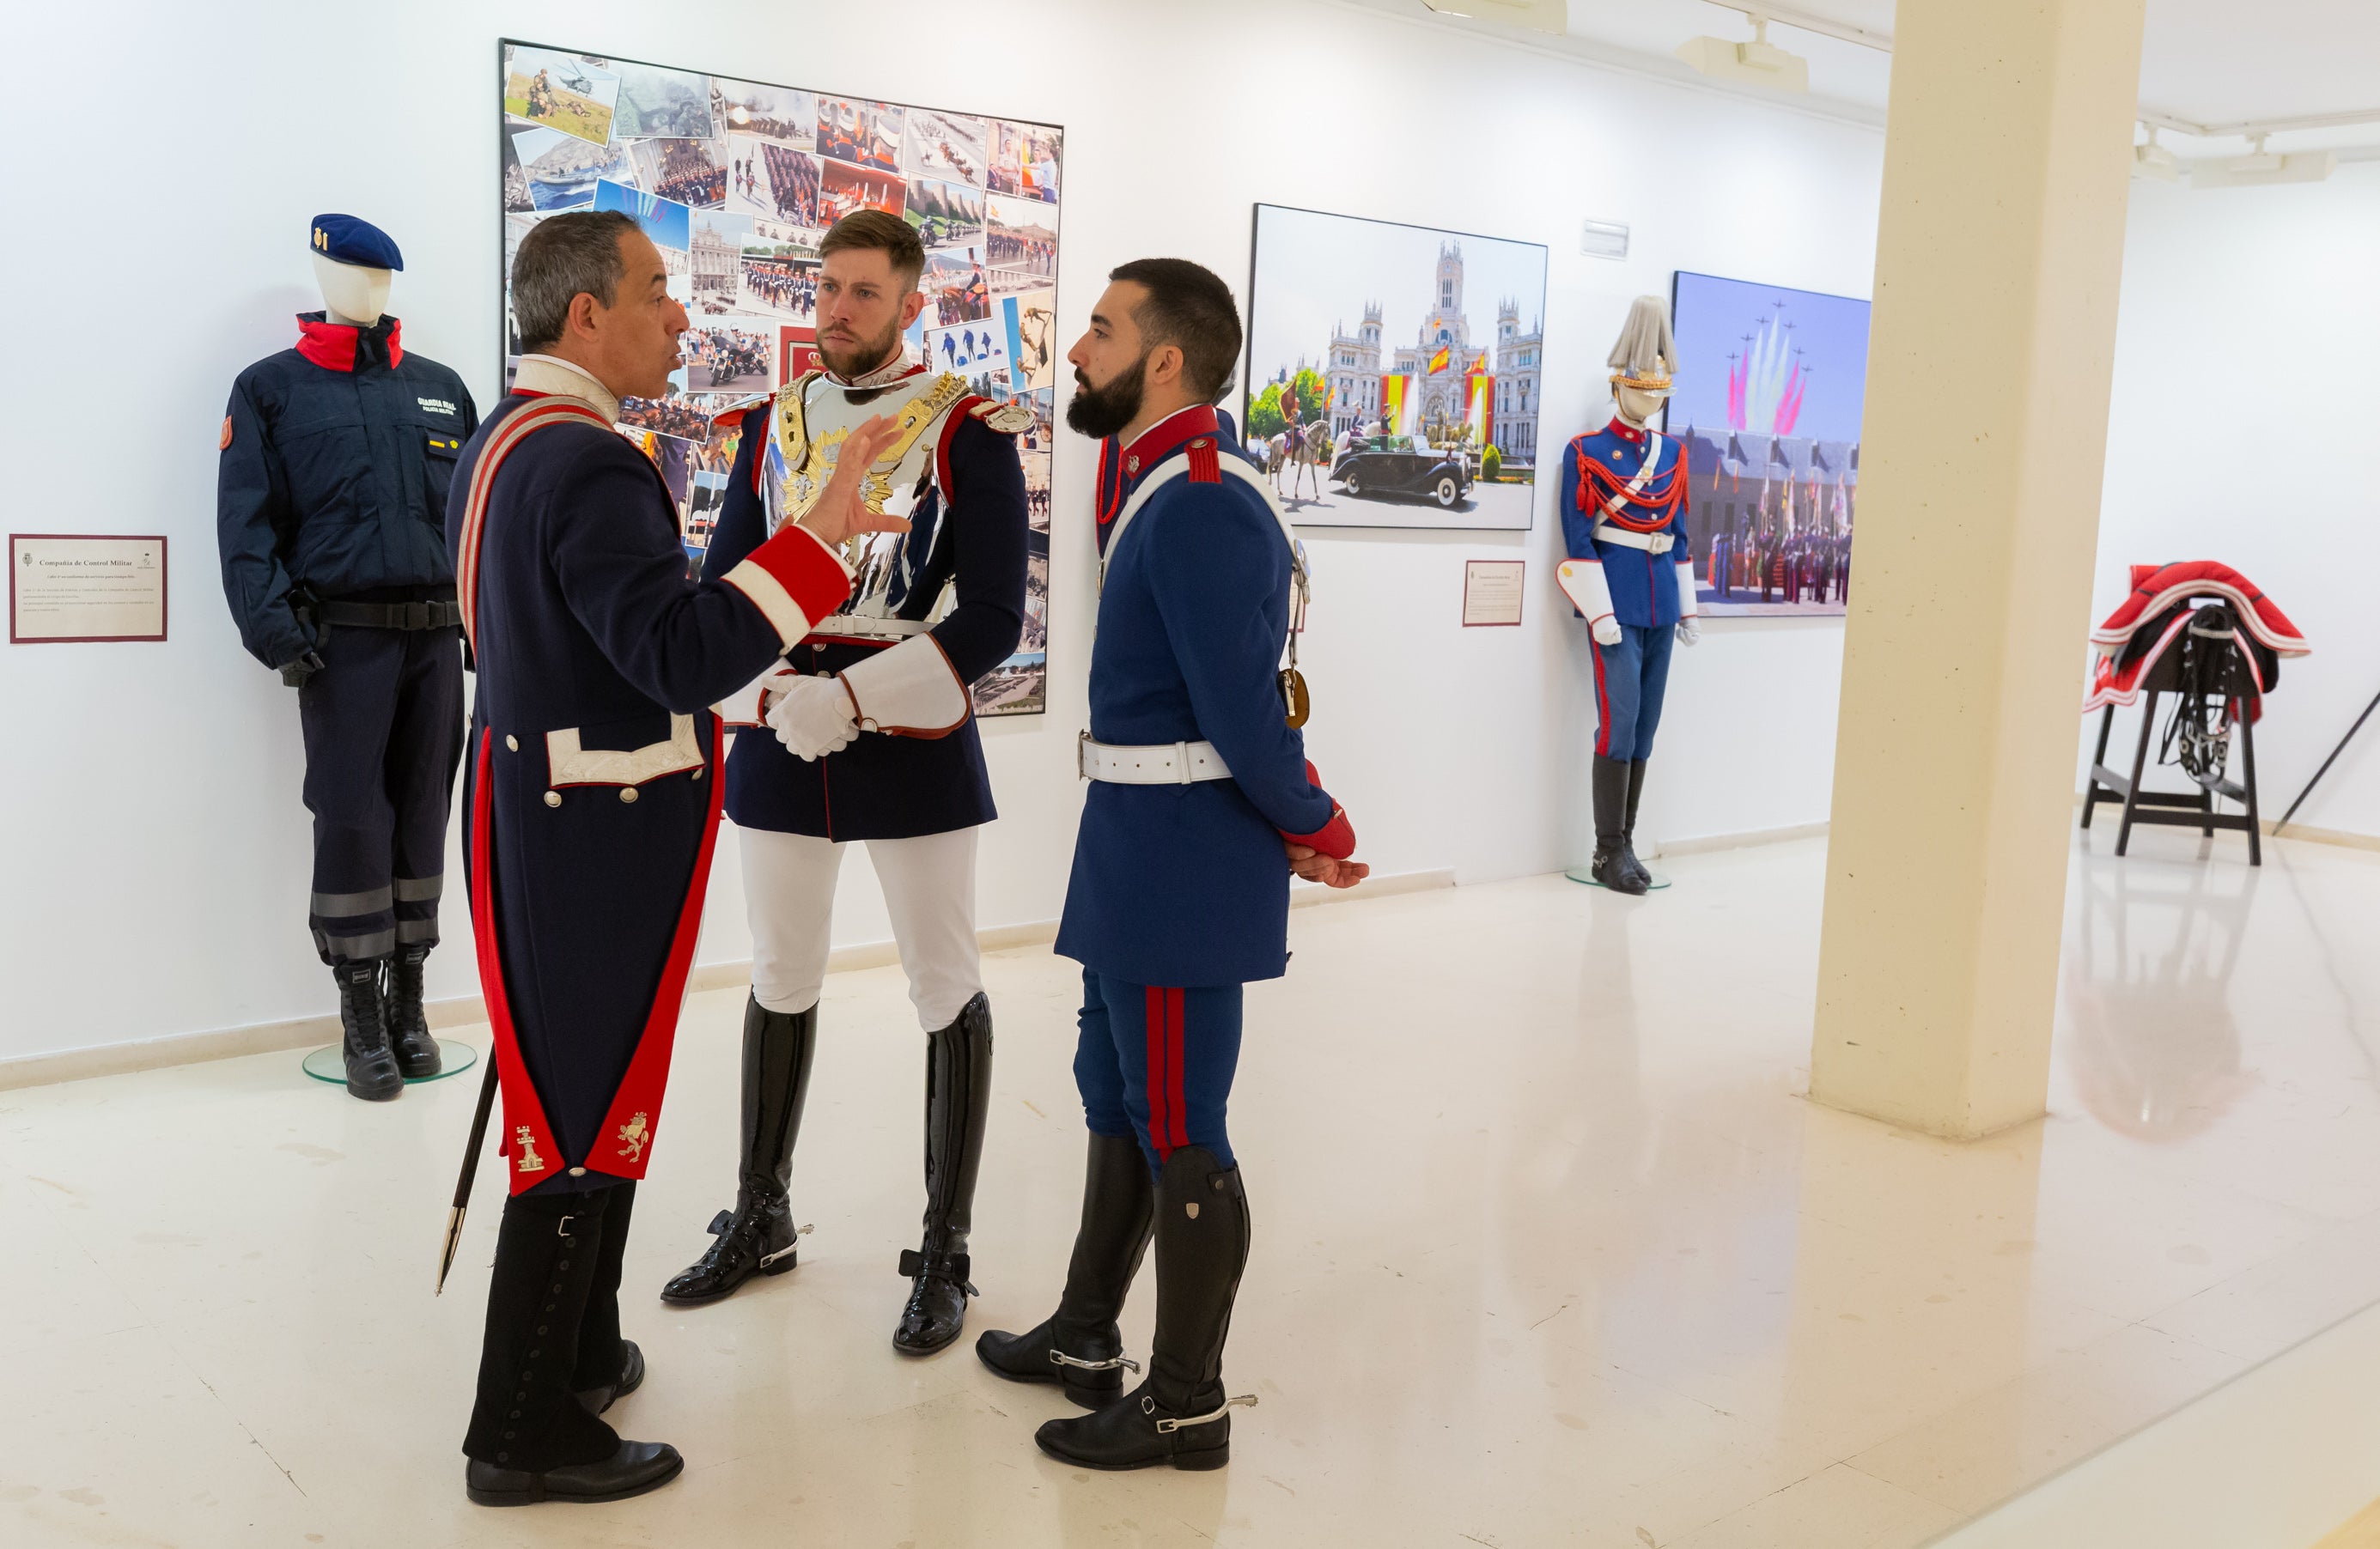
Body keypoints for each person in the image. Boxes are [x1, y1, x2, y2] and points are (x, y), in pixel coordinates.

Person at [443, 208, 903, 1507]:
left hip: (547, 810)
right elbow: (681, 657)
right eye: (656, 291)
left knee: (588, 1092)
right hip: (590, 829)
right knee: (578, 1118)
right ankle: (521, 1430)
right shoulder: (587, 463)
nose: (679, 316)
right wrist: (814, 536)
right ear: (585, 312)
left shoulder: (504, 438)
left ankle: (578, 1351)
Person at [975, 258, 1367, 1469]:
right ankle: (1092, 1334)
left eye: (1097, 330)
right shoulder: (1146, 471)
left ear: (1163, 360)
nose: (1075, 350)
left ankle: (1186, 1402)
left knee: (1180, 1121)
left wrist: (1315, 817)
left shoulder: (1199, 496)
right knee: (1114, 1089)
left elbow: (1243, 707)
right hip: (1136, 843)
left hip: (1181, 858)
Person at [660, 210, 1031, 1360]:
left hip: (906, 724)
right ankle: (761, 1212)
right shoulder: (772, 425)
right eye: (827, 289)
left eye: (864, 293)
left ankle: (946, 1243)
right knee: (777, 973)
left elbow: (993, 616)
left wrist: (858, 700)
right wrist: (772, 693)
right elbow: (725, 582)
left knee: (939, 980)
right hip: (779, 718)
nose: (836, 310)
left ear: (913, 303)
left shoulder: (969, 427)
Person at [216, 214, 476, 1101]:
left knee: (422, 812)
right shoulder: (271, 390)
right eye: (353, 273)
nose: (370, 290)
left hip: (437, 638)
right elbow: (245, 527)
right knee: (350, 815)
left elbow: (477, 526)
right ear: (321, 271)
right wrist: (282, 637)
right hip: (346, 641)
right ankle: (359, 1010)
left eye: (381, 277)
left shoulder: (441, 389)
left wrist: (487, 630)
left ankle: (411, 1002)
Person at [1556, 295, 1701, 896]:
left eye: (1658, 391)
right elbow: (1576, 537)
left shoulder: (1673, 455)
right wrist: (1599, 610)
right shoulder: (1586, 452)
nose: (1651, 399)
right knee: (1616, 727)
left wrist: (1687, 607)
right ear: (1619, 386)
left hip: (1660, 602)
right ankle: (1605, 851)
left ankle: (1628, 843)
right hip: (1613, 602)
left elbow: (1682, 534)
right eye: (1642, 388)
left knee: (1644, 729)